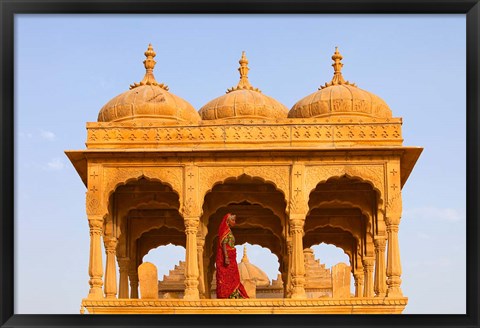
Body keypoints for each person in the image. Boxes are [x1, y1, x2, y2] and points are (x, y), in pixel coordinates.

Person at [215, 213, 249, 299]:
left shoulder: (229, 231)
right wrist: (226, 257)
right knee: (227, 276)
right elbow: (224, 244)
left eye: (234, 220)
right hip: (228, 257)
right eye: (232, 220)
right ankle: (228, 295)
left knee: (234, 276)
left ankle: (234, 294)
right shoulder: (225, 230)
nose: (234, 222)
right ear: (227, 221)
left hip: (232, 256)